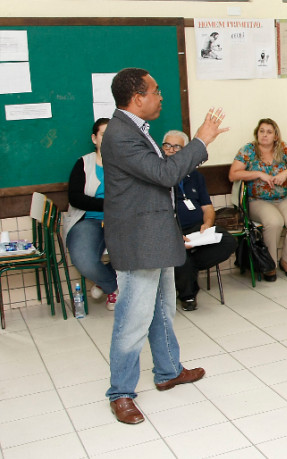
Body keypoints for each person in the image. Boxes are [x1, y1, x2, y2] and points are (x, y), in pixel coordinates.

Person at [102, 67, 227, 425]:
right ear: (137, 97)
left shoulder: (136, 130)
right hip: (138, 241)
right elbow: (166, 174)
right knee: (132, 319)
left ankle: (168, 370)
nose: (161, 97)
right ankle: (121, 393)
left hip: (154, 235)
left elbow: (158, 182)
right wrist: (201, 140)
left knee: (161, 308)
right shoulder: (121, 134)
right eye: (155, 91)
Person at [162, 130, 238, 312]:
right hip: (172, 232)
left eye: (176, 147)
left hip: (198, 230)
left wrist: (208, 224)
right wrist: (176, 236)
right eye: (167, 146)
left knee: (228, 241)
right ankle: (188, 295)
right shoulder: (159, 175)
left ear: (186, 151)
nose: (171, 150)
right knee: (180, 254)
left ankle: (188, 268)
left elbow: (208, 208)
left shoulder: (196, 177)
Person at [228, 119, 287, 281]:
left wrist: (286, 173)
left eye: (269, 132)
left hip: (284, 197)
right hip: (257, 200)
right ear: (257, 134)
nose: (265, 135)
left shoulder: (283, 149)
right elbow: (233, 174)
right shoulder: (248, 150)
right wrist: (258, 174)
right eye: (262, 131)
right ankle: (268, 265)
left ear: (276, 136)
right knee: (274, 221)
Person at [63, 118, 118, 311]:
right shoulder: (83, 163)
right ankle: (112, 286)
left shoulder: (127, 164)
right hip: (89, 220)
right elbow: (76, 198)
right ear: (95, 139)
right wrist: (108, 205)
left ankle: (104, 284)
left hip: (121, 221)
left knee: (140, 247)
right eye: (104, 134)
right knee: (84, 260)